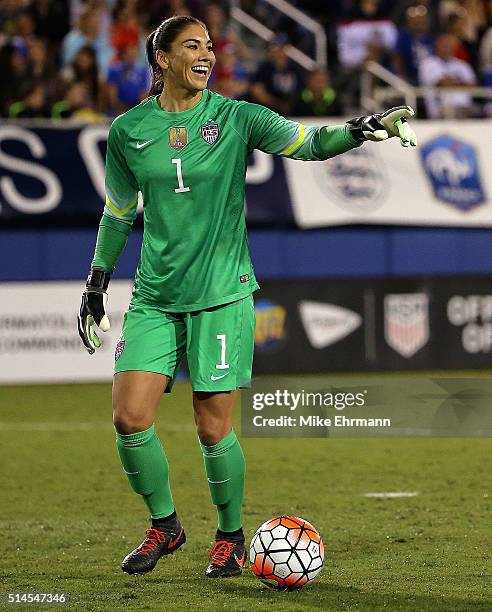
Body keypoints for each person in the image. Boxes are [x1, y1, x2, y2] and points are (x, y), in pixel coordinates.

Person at [77, 15, 417, 580]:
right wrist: (95, 282)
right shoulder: (127, 131)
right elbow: (118, 212)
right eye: (192, 46)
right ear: (162, 59)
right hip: (155, 296)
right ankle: (165, 525)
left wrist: (363, 128)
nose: (206, 54)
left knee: (213, 429)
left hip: (221, 294)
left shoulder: (237, 117)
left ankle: (231, 537)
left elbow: (309, 144)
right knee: (129, 417)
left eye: (210, 46)